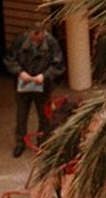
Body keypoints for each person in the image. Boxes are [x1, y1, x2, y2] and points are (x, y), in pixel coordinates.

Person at [5, 24, 64, 157]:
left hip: (42, 85)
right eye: (34, 36)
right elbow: (10, 59)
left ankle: (42, 142)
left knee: (44, 115)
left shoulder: (51, 43)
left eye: (39, 36)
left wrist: (44, 76)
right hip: (24, 84)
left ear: (43, 33)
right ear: (30, 33)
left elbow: (58, 65)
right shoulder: (20, 40)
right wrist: (20, 72)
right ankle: (20, 142)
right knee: (21, 115)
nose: (36, 39)